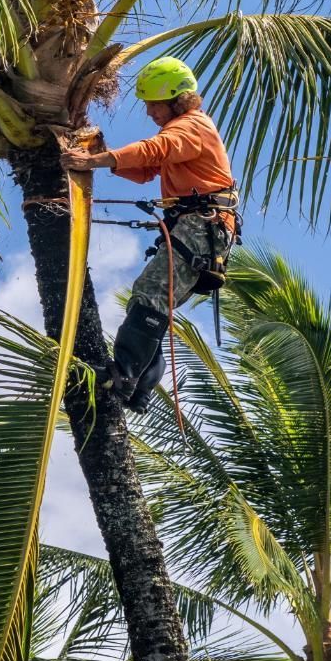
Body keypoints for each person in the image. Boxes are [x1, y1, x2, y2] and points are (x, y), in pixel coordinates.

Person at [62, 56, 239, 410]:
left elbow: (154, 150)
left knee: (150, 294)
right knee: (153, 302)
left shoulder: (192, 127)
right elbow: (146, 170)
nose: (149, 112)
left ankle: (122, 375)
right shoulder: (182, 132)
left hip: (202, 226)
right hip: (197, 228)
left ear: (176, 100)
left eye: (154, 104)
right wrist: (101, 153)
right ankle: (140, 387)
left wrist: (94, 161)